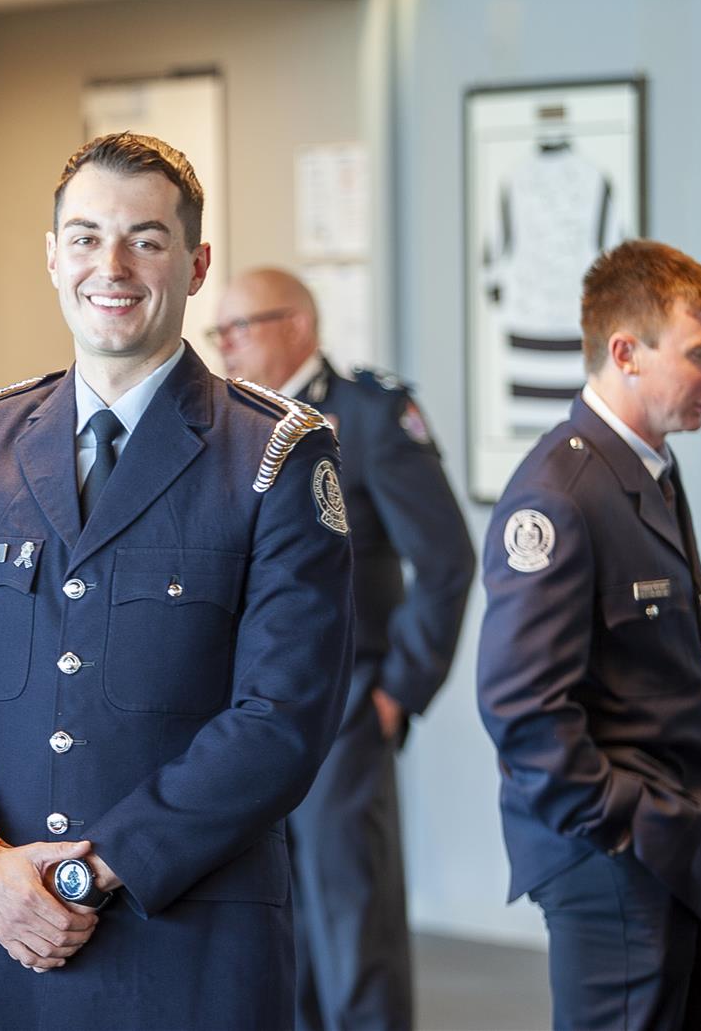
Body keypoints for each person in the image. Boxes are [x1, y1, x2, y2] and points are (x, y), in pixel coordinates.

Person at [0, 132, 355, 1029]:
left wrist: (85, 873)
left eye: (146, 238)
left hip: (187, 946)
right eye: (88, 236)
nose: (114, 264)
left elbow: (281, 718)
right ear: (52, 256)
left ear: (196, 263)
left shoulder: (276, 457)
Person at [213, 267, 475, 1031]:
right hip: (250, 708)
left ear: (296, 324)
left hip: (346, 705)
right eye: (218, 331)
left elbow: (447, 558)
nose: (223, 345)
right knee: (273, 914)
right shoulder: (232, 422)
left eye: (239, 327)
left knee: (350, 917)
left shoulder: (366, 414)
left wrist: (399, 689)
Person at [477, 239, 701, 1030]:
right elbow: (521, 709)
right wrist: (630, 821)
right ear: (627, 352)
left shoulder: (646, 466)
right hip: (615, 857)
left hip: (674, 838)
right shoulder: (558, 495)